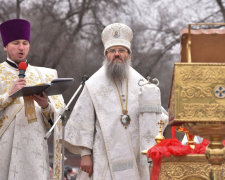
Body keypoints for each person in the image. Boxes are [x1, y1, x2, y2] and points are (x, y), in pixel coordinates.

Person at [64, 23, 168, 180]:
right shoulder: (93, 84)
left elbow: (159, 116)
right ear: (106, 55)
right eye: (112, 51)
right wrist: (85, 154)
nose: (117, 54)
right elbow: (83, 119)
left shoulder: (141, 83)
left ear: (129, 55)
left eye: (122, 50)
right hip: (104, 156)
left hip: (135, 153)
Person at [0, 19, 64, 180]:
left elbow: (59, 118)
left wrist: (45, 106)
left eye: (25, 43)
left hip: (35, 150)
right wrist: (8, 95)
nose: (21, 48)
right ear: (5, 46)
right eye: (16, 43)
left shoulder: (46, 75)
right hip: (4, 149)